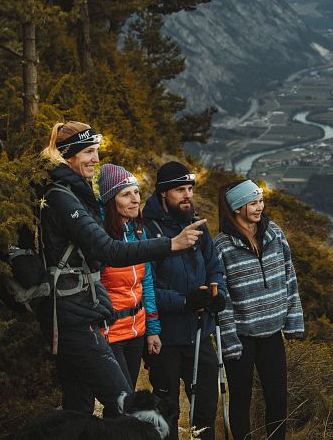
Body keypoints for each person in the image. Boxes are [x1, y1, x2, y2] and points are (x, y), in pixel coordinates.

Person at [36, 121, 205, 416]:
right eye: (88, 151)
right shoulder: (62, 198)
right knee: (126, 405)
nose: (95, 159)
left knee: (79, 407)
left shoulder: (72, 194)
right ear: (69, 155)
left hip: (76, 313)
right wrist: (170, 244)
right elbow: (108, 250)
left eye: (96, 151)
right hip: (75, 318)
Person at [141, 161, 226, 440]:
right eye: (180, 189)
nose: (187, 194)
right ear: (164, 193)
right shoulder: (148, 231)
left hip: (200, 331)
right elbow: (146, 286)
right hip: (165, 336)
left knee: (205, 407)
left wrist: (217, 294)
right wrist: (185, 301)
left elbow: (214, 265)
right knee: (167, 410)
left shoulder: (196, 224)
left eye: (190, 188)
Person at [215, 179, 305, 440]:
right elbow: (223, 298)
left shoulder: (274, 233)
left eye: (260, 201)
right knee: (241, 398)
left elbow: (290, 276)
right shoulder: (221, 246)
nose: (259, 207)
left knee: (277, 397)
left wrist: (294, 322)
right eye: (252, 203)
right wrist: (229, 340)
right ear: (237, 207)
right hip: (241, 337)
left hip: (272, 334)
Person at [97, 163, 162, 390]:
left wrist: (152, 330)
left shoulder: (137, 231)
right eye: (126, 194)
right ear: (111, 201)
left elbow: (147, 283)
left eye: (136, 192)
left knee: (128, 397)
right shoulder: (99, 237)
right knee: (120, 401)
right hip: (110, 334)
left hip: (136, 330)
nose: (135, 199)